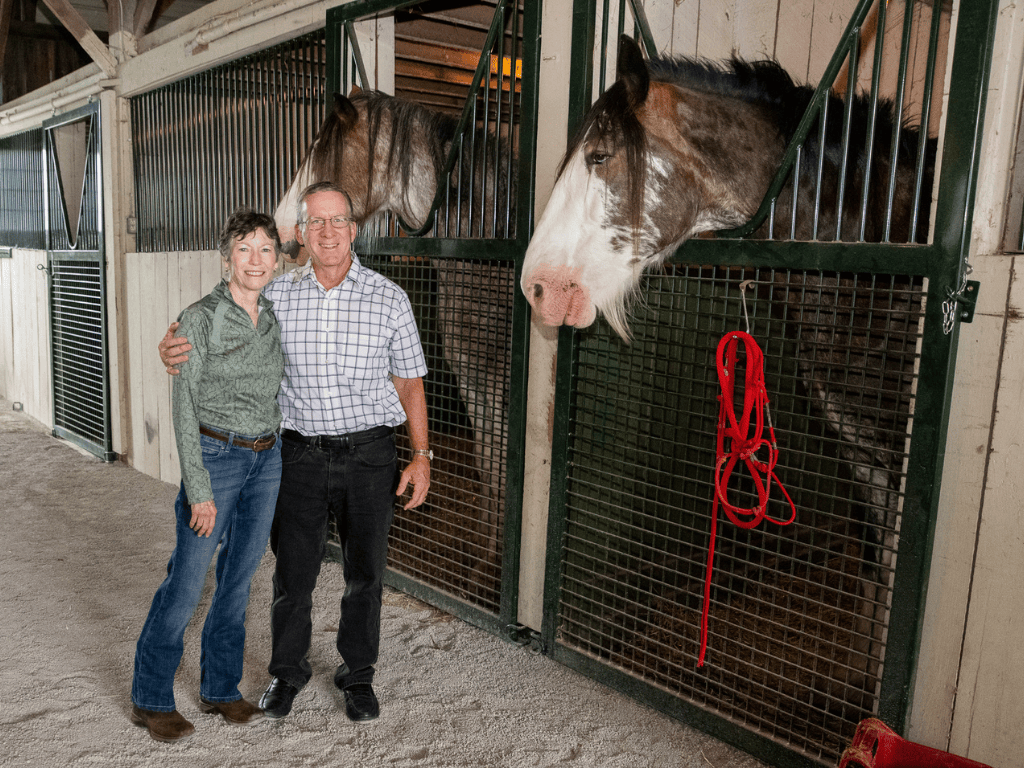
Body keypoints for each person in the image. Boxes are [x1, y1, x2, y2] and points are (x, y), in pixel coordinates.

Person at [158, 181, 431, 724]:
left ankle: (358, 676)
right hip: (298, 455)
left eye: (337, 221)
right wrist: (172, 347)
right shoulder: (277, 296)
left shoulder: (390, 298)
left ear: (355, 230)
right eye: (315, 222)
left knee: (365, 574)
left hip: (370, 454)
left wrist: (421, 455)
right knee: (293, 574)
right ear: (300, 234)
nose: (327, 231)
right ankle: (287, 674)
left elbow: (410, 383)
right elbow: (218, 333)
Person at [132, 209, 285, 743]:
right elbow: (183, 406)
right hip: (216, 458)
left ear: (277, 260)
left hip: (267, 459)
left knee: (240, 578)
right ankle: (150, 697)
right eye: (245, 249)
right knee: (188, 580)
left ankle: (220, 687)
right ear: (226, 262)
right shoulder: (198, 318)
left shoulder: (271, 317)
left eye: (266, 249)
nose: (256, 259)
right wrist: (198, 489)